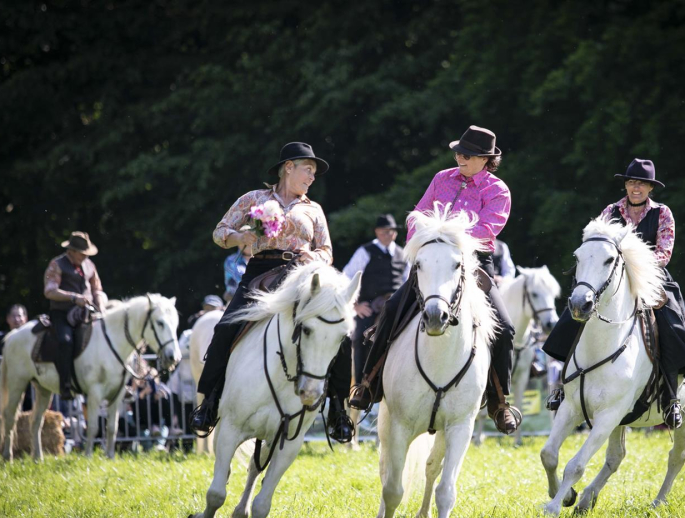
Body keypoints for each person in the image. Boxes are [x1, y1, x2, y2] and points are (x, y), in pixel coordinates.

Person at [349, 125, 521, 434]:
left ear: (485, 159)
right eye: (458, 152)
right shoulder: (441, 178)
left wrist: (445, 236)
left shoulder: (498, 190)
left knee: (505, 328)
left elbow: (485, 232)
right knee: (391, 309)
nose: (460, 158)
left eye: (467, 155)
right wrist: (423, 244)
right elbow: (416, 217)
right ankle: (368, 384)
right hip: (430, 259)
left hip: (472, 263)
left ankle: (499, 401)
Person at [190, 142, 354, 442]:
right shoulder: (254, 198)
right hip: (260, 272)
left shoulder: (314, 209)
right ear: (288, 167)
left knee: (339, 332)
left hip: (302, 277)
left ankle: (338, 410)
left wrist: (313, 257)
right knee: (226, 327)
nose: (312, 177)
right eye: (309, 169)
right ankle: (209, 402)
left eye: (314, 172)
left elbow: (327, 251)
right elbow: (219, 232)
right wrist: (240, 235)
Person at [543, 158, 685, 429]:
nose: (635, 188)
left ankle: (672, 397)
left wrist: (633, 265)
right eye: (631, 182)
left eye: (641, 183)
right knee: (577, 307)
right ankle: (563, 384)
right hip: (610, 278)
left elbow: (664, 253)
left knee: (672, 317)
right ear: (626, 185)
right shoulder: (609, 210)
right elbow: (593, 241)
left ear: (651, 187)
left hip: (650, 278)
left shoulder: (663, 213)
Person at [343, 214, 410, 391]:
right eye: (383, 231)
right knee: (359, 338)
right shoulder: (365, 251)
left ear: (395, 233)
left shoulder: (403, 254)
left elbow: (408, 282)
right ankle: (358, 386)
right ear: (377, 232)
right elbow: (347, 277)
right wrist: (355, 305)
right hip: (369, 306)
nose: (387, 235)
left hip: (395, 306)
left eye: (391, 231)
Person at [42, 231, 107, 401]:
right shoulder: (57, 264)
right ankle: (65, 385)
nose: (85, 257)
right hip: (62, 314)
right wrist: (73, 297)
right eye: (82, 253)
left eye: (87, 254)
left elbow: (97, 289)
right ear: (71, 251)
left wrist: (100, 303)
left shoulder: (89, 266)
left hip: (87, 313)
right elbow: (50, 291)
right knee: (65, 341)